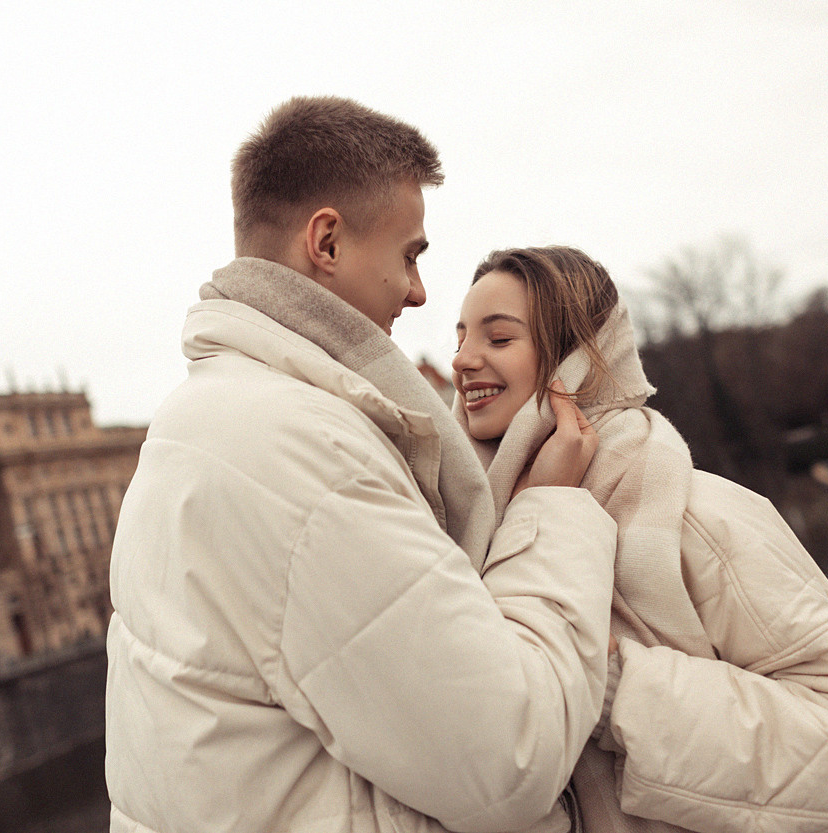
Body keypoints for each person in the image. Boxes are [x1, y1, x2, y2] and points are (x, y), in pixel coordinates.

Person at [104, 97, 619, 832]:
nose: (418, 290)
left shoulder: (203, 415)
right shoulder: (302, 448)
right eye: (409, 254)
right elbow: (509, 757)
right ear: (327, 242)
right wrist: (550, 511)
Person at [451, 245, 828, 833]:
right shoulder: (467, 538)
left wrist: (606, 685)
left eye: (498, 339)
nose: (461, 361)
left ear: (574, 362)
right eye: (459, 339)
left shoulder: (699, 517)